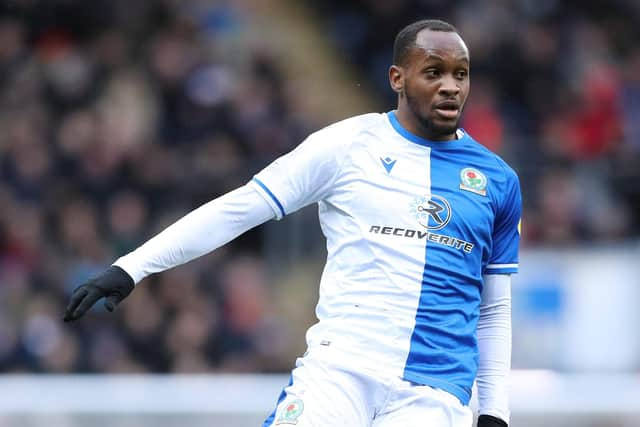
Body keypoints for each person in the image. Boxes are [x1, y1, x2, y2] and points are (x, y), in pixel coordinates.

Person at [64, 19, 520, 427]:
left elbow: (494, 308)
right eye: (433, 72)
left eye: (460, 74)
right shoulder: (347, 145)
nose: (450, 87)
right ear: (397, 78)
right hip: (342, 370)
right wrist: (133, 266)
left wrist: (495, 412)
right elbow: (241, 208)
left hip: (436, 394)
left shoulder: (497, 181)